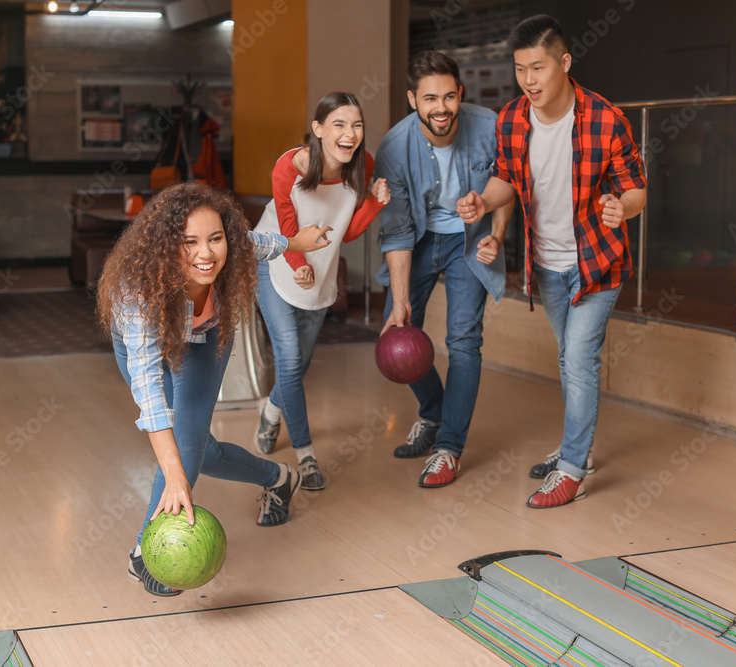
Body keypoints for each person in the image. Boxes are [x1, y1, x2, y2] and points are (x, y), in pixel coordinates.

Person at [96, 183, 332, 596]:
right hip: (139, 340)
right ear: (166, 247)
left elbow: (259, 242)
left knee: (188, 444)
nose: (206, 253)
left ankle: (145, 551)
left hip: (204, 339)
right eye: (189, 243)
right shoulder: (138, 293)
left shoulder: (233, 245)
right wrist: (173, 474)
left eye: (215, 238)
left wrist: (297, 241)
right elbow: (150, 394)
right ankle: (278, 477)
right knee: (193, 453)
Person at [457, 15, 647, 508]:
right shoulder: (512, 120)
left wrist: (619, 207)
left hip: (597, 263)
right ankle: (575, 445)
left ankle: (573, 467)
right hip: (547, 264)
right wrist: (482, 201)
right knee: (568, 359)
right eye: (521, 69)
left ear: (564, 62)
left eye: (538, 67)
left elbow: (636, 190)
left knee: (579, 359)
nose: (529, 80)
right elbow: (507, 180)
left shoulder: (606, 119)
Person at [375, 51, 513, 488]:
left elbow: (509, 185)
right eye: (430, 98)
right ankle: (434, 413)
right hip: (417, 241)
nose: (441, 108)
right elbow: (396, 232)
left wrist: (497, 234)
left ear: (461, 94)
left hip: (468, 244)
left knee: (464, 342)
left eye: (449, 97)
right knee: (396, 332)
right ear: (413, 98)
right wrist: (400, 301)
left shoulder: (489, 127)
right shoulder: (394, 148)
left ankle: (449, 449)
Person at [253, 92, 390, 491]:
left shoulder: (362, 165)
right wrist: (299, 267)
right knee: (291, 360)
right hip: (278, 263)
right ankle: (306, 457)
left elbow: (346, 229)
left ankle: (271, 410)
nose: (350, 134)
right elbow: (287, 225)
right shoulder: (290, 166)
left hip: (322, 273)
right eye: (339, 125)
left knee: (299, 366)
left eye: (357, 125)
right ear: (318, 130)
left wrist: (375, 204)